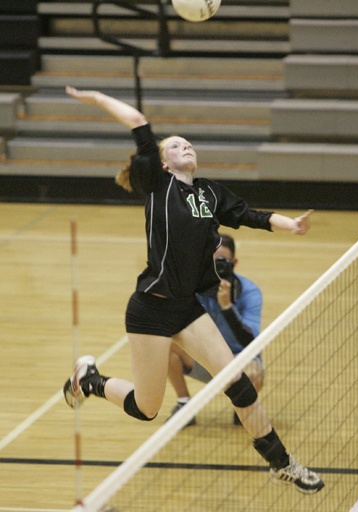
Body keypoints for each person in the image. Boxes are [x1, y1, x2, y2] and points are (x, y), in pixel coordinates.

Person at [62, 85, 324, 494]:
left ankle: (282, 463)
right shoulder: (156, 184)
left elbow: (249, 215)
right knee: (147, 409)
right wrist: (96, 98)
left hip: (187, 308)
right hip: (150, 309)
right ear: (163, 163)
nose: (184, 145)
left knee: (237, 382)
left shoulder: (209, 192)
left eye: (188, 143)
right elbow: (137, 122)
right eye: (175, 145)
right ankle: (90, 380)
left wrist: (289, 224)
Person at [167, 233, 264, 426]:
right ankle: (184, 403)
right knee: (165, 343)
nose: (216, 267)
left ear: (233, 262)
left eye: (222, 261)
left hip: (240, 361)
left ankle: (243, 405)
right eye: (211, 261)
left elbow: (249, 341)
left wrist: (227, 307)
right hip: (207, 357)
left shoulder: (250, 292)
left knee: (255, 372)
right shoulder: (193, 288)